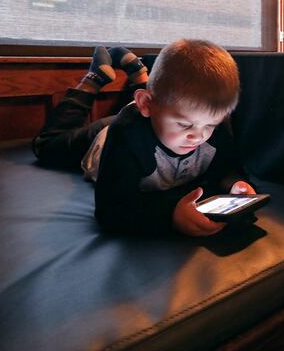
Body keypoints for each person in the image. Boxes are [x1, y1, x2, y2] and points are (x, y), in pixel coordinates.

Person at [32, 39, 255, 236]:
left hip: (149, 117)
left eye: (211, 125)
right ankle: (93, 78)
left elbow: (226, 169)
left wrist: (234, 185)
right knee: (47, 146)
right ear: (145, 104)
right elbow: (111, 210)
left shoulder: (214, 122)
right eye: (185, 124)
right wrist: (170, 216)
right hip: (104, 137)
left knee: (163, 106)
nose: (198, 136)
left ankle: (139, 73)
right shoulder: (126, 134)